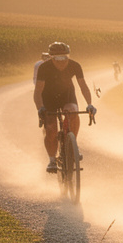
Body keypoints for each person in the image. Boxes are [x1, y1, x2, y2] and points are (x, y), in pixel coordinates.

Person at [33, 42, 96, 173]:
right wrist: (40, 108)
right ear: (51, 57)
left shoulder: (75, 65)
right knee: (51, 128)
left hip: (67, 95)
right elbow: (38, 91)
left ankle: (73, 145)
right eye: (57, 58)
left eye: (64, 57)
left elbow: (83, 86)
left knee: (72, 112)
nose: (62, 61)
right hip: (48, 97)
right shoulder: (44, 67)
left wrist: (89, 104)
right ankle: (52, 160)